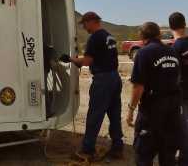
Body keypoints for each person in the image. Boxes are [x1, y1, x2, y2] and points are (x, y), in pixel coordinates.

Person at [60, 11, 123, 160]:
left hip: (103, 80)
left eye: (84, 24)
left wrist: (71, 59)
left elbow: (87, 61)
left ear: (91, 21)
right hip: (115, 77)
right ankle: (117, 147)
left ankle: (87, 150)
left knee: (95, 114)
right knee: (114, 114)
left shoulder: (94, 38)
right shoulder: (109, 36)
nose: (84, 28)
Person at [127, 22, 181, 166]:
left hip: (152, 110)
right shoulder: (172, 51)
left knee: (144, 153)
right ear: (158, 34)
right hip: (173, 110)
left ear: (142, 37)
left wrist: (131, 110)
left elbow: (138, 87)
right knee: (168, 153)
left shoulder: (143, 53)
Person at [169, 12, 188, 165]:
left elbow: (173, 76)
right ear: (185, 24)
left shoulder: (175, 48)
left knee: (181, 127)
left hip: (183, 94)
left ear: (170, 27)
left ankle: (183, 160)